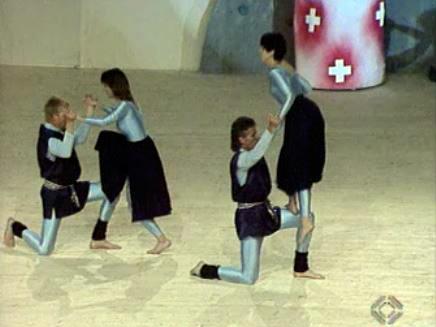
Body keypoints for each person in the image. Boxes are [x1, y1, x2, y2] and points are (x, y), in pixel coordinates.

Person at [190, 115, 324, 284]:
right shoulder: (242, 160)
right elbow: (260, 150)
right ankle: (204, 269)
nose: (257, 137)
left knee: (307, 218)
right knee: (248, 277)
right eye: (252, 135)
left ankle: (301, 266)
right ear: (241, 140)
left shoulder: (252, 153)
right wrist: (270, 129)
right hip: (249, 219)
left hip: (265, 212)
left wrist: (280, 128)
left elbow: (262, 147)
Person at [3, 96, 119, 255]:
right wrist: (71, 124)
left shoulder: (59, 130)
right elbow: (65, 151)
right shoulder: (49, 138)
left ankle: (98, 237)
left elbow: (79, 139)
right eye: (66, 114)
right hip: (54, 196)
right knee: (45, 250)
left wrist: (89, 112)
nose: (70, 116)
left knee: (112, 191)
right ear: (55, 117)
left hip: (72, 189)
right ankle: (14, 226)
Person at [79, 68, 172, 254]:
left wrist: (83, 117)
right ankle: (99, 236)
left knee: (135, 201)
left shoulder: (125, 106)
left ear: (113, 86)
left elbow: (107, 121)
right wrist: (101, 108)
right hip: (136, 151)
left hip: (140, 155)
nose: (105, 90)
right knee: (120, 195)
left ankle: (162, 239)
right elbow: (115, 114)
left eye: (106, 86)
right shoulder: (128, 103)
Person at [259, 32, 326, 243]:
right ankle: (294, 203)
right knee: (291, 159)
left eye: (262, 49)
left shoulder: (274, 73)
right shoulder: (283, 71)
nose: (260, 53)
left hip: (300, 118)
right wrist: (293, 74)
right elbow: (306, 88)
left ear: (270, 51)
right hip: (305, 116)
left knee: (299, 165)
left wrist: (279, 117)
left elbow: (289, 96)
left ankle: (305, 217)